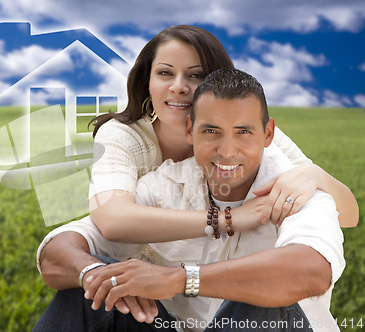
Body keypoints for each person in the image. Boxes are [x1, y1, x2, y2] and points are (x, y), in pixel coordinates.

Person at [35, 25, 357, 326]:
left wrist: (315, 176)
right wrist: (96, 275)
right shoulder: (151, 169)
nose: (228, 150)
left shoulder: (286, 178)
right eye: (211, 131)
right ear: (192, 131)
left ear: (265, 133)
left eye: (243, 131)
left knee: (264, 292)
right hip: (177, 318)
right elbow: (98, 227)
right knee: (88, 292)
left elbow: (315, 265)